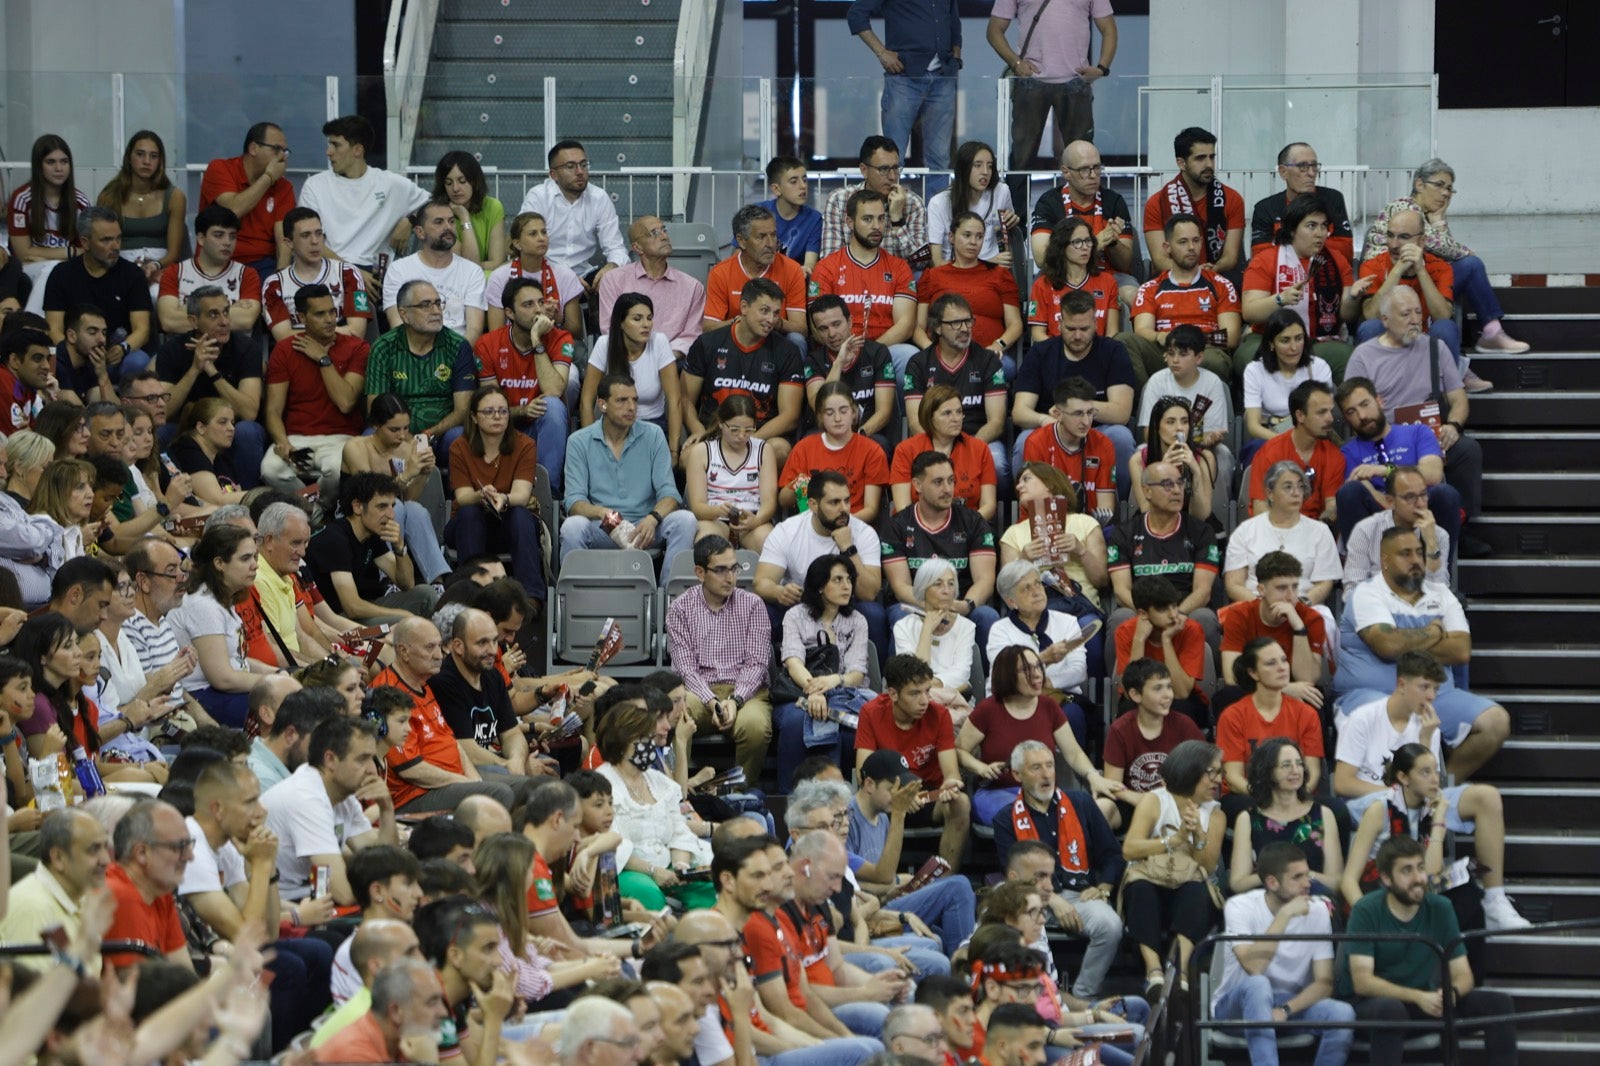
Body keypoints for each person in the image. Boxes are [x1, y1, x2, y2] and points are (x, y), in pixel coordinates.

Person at [1333, 652, 1530, 932]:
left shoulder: (1428, 725)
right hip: (1368, 803)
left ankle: (1495, 899)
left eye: (1436, 689)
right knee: (1406, 802)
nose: (1431, 696)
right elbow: (1343, 783)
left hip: (1416, 798)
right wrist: (1399, 792)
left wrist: (1426, 739)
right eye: (1424, 687)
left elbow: (1429, 782)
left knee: (1486, 797)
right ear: (1402, 684)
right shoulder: (1364, 718)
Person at [1334, 527, 1508, 780]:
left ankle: (1433, 790)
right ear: (1384, 561)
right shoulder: (1367, 594)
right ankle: (1394, 798)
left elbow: (1460, 651)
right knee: (1398, 719)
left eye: (1419, 553)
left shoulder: (1441, 595)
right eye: (1405, 554)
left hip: (1435, 694)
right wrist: (1434, 632)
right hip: (1372, 695)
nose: (1415, 560)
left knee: (1495, 722)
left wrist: (1404, 639)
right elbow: (1387, 645)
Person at [1338, 835, 1520, 1066]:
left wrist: (1450, 994)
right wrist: (1418, 997)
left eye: (1420, 868)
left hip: (1423, 999)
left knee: (1499, 1004)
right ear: (1386, 878)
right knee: (1391, 1010)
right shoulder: (1366, 909)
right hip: (1370, 1005)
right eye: (1407, 871)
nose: (1418, 878)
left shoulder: (1440, 907)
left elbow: (1464, 974)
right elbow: (1363, 982)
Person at [1344, 285, 1487, 554]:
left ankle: (1462, 530)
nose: (1415, 320)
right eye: (1406, 314)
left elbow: (1458, 398)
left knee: (1467, 450)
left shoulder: (1436, 347)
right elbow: (1354, 407)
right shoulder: (1363, 356)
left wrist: (1453, 425)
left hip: (1429, 437)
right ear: (1385, 320)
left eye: (1418, 312)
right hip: (1383, 439)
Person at [988, 741, 1123, 998]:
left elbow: (1112, 854)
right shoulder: (1005, 819)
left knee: (1111, 925)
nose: (1047, 774)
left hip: (1080, 894)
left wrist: (1104, 888)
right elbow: (1014, 875)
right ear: (1017, 775)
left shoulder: (1081, 802)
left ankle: (1082, 997)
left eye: (1050, 766)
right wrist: (1053, 900)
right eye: (1036, 768)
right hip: (1029, 897)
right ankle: (1028, 992)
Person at [1363, 158, 1527, 361]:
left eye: (1450, 189)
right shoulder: (1403, 207)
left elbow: (1441, 248)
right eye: (1439, 185)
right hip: (1390, 280)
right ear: (1419, 185)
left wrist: (1439, 221)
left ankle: (1488, 336)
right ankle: (1489, 334)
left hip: (1419, 279)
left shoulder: (1427, 215)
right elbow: (1443, 247)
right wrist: (1467, 251)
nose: (1446, 193)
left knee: (1458, 274)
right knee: (1471, 264)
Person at [1212, 842, 1355, 1066]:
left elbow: (1325, 983)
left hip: (1288, 1005)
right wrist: (1285, 916)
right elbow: (1255, 967)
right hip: (1236, 1009)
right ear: (1272, 882)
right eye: (1297, 877)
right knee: (1259, 984)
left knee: (1342, 1013)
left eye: (1307, 875)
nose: (1308, 883)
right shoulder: (1239, 907)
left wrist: (1285, 1010)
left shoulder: (1318, 911)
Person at [374, 619, 521, 815]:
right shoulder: (387, 694)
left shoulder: (423, 683)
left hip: (452, 779)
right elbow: (411, 770)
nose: (438, 655)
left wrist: (473, 779)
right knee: (499, 794)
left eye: (439, 646)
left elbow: (451, 741)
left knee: (529, 788)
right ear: (403, 652)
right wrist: (467, 783)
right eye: (429, 647)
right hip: (416, 794)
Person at [562, 374, 697, 572]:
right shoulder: (579, 441)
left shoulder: (654, 434)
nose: (631, 407)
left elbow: (669, 494)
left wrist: (652, 519)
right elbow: (574, 503)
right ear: (602, 405)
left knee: (686, 520)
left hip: (646, 527)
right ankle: (574, 599)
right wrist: (604, 513)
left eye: (635, 400)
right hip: (603, 527)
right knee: (572, 527)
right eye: (622, 400)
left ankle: (672, 599)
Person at [667, 535, 773, 786]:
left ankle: (738, 795)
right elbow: (685, 668)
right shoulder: (680, 608)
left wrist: (735, 701)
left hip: (747, 692)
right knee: (676, 713)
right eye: (721, 570)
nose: (730, 577)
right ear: (700, 572)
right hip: (698, 691)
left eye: (734, 568)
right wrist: (712, 702)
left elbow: (757, 663)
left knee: (756, 727)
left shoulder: (753, 605)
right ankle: (677, 790)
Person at [1120, 739, 1223, 995]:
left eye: (1219, 772)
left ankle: (1180, 968)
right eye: (1212, 773)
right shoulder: (1155, 800)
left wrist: (1199, 834)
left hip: (1187, 883)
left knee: (1198, 892)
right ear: (1190, 771)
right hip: (1150, 879)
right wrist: (1173, 841)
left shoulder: (1216, 813)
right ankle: (1153, 971)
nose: (1218, 780)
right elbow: (1129, 849)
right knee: (1141, 890)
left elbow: (1209, 867)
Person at [854, 654, 971, 870]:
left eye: (927, 690)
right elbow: (865, 773)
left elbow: (951, 773)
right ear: (893, 694)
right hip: (889, 793)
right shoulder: (871, 712)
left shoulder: (940, 714)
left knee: (961, 802)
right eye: (915, 693)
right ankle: (876, 878)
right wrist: (898, 797)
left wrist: (950, 786)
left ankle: (945, 882)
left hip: (928, 795)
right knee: (863, 799)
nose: (925, 700)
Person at [260, 282, 369, 511]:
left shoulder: (357, 348)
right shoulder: (285, 349)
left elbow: (346, 402)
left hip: (341, 439)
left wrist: (323, 359)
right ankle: (313, 513)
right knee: (270, 468)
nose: (330, 319)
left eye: (332, 311)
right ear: (301, 316)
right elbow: (273, 410)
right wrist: (282, 442)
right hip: (298, 439)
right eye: (320, 314)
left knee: (334, 470)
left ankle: (318, 513)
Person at [595, 702, 714, 910]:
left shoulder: (659, 782)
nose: (650, 745)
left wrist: (680, 867)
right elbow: (611, 847)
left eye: (650, 738)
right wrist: (653, 871)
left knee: (712, 887)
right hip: (625, 870)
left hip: (667, 866)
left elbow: (679, 833)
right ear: (621, 743)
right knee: (649, 894)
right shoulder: (603, 784)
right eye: (642, 739)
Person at [754, 469, 886, 653]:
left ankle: (873, 679)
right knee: (762, 612)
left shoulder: (864, 533)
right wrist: (779, 591)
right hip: (799, 606)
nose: (844, 509)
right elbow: (761, 583)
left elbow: (869, 593)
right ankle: (767, 676)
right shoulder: (787, 531)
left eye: (847, 501)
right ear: (813, 505)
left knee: (874, 614)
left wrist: (849, 549)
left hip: (844, 607)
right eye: (834, 502)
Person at [1236, 196, 1366, 381]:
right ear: (1291, 230)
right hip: (1269, 338)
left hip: (1319, 340)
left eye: (1324, 226)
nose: (1320, 233)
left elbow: (1347, 315)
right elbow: (1250, 312)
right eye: (1311, 226)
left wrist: (1353, 297)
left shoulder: (1336, 261)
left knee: (1352, 359)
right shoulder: (1265, 260)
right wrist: (1281, 299)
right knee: (1250, 357)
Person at [164, 524, 281, 727]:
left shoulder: (222, 597)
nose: (255, 565)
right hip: (202, 696)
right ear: (219, 563)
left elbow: (239, 661)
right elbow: (222, 678)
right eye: (245, 559)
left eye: (255, 557)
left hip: (223, 691)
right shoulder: (203, 605)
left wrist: (278, 674)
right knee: (288, 709)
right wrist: (274, 683)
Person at [1011, 293, 1137, 481]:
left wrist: (1072, 411)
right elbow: (1019, 412)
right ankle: (1030, 507)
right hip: (1052, 428)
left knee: (1122, 437)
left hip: (1097, 430)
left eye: (1084, 329)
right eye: (1071, 329)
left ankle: (1117, 508)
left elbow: (1121, 412)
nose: (1078, 336)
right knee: (1024, 441)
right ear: (1060, 323)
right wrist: (1044, 420)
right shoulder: (1041, 352)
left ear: (1096, 323)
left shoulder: (1113, 351)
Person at [883, 452, 999, 654]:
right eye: (938, 482)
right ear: (917, 485)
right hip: (916, 606)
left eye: (951, 481)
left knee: (987, 616)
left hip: (960, 604)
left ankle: (989, 684)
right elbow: (900, 586)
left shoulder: (973, 522)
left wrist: (966, 605)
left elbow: (985, 580)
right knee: (901, 617)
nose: (947, 489)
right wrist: (934, 606)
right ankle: (903, 682)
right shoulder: (897, 525)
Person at [774, 554, 872, 793]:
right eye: (837, 579)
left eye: (849, 579)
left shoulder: (857, 620)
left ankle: (846, 797)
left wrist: (834, 681)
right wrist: (814, 691)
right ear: (819, 586)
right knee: (798, 722)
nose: (846, 585)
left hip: (844, 692)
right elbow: (793, 661)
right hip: (799, 689)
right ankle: (789, 796)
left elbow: (857, 672)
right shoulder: (795, 616)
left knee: (855, 728)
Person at [684, 277, 806, 466]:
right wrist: (698, 429)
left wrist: (748, 439)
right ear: (744, 307)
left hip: (760, 436)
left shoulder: (787, 351)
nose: (771, 320)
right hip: (714, 433)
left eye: (776, 313)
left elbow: (790, 416)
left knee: (780, 449)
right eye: (764, 311)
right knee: (688, 457)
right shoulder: (707, 343)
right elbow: (684, 399)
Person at [1334, 376, 1461, 552]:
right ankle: (1361, 573)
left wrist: (1385, 470)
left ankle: (1438, 573)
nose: (1361, 416)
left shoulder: (1417, 432)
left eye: (1365, 404)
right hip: (1378, 518)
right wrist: (1396, 506)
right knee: (1349, 491)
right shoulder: (1347, 452)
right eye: (1351, 412)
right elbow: (1362, 489)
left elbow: (1432, 474)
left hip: (1422, 508)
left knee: (1446, 493)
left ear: (1379, 401)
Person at [156, 288, 266, 489]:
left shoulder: (247, 348)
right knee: (160, 432)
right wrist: (195, 368)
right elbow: (163, 410)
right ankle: (173, 499)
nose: (224, 321)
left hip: (231, 428)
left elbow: (249, 412)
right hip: (187, 428)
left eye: (226, 312)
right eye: (213, 315)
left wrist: (212, 371)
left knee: (247, 432)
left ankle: (249, 498)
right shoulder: (172, 350)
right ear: (193, 321)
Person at [340, 394, 453, 587]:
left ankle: (437, 582)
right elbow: (371, 496)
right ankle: (388, 578)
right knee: (395, 506)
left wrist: (423, 474)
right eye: (394, 429)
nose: (402, 435)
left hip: (394, 512)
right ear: (376, 426)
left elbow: (410, 497)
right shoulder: (355, 447)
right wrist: (408, 474)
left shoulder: (406, 448)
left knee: (415, 510)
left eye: (406, 428)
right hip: (356, 513)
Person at [447, 385, 546, 603]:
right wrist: (481, 495)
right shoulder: (459, 447)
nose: (497, 417)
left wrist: (503, 498)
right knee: (470, 512)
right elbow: (462, 497)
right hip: (467, 527)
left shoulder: (525, 445)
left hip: (508, 525)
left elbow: (521, 494)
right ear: (474, 416)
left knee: (520, 514)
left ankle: (532, 598)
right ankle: (471, 597)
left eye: (503, 411)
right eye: (489, 412)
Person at [474, 276, 573, 493]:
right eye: (528, 305)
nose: (538, 310)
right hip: (503, 426)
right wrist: (521, 410)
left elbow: (554, 390)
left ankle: (547, 494)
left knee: (553, 407)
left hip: (540, 428)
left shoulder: (560, 337)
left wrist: (537, 340)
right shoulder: (488, 344)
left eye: (540, 302)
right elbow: (488, 407)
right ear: (509, 313)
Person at [987, 0, 1116, 167]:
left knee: (1083, 158)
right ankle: (1016, 194)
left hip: (1076, 81)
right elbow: (994, 29)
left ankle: (1082, 194)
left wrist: (1102, 68)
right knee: (1022, 157)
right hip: (1030, 81)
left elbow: (1109, 29)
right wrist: (1016, 63)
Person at [299, 115, 430, 276]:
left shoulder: (391, 183)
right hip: (329, 269)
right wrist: (353, 273)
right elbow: (308, 242)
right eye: (329, 144)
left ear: (357, 150)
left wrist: (411, 220)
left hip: (376, 272)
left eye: (335, 145)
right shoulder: (314, 186)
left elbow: (437, 203)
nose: (328, 152)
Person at [811, 189, 919, 380]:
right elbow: (817, 323)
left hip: (883, 350)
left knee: (908, 355)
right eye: (868, 219)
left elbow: (905, 325)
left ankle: (901, 412)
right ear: (850, 222)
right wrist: (846, 351)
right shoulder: (826, 268)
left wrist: (869, 352)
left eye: (881, 218)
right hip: (837, 351)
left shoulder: (899, 267)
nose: (877, 226)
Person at [364, 279, 477, 460]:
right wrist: (407, 438)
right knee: (368, 437)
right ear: (404, 314)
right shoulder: (384, 347)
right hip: (395, 431)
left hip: (443, 434)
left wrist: (428, 435)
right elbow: (375, 408)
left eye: (438, 303)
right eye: (425, 305)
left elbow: (463, 410)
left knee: (459, 437)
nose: (436, 311)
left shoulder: (457, 346)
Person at [1121, 213, 1241, 382]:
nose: (1191, 247)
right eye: (1183, 242)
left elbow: (1231, 337)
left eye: (1196, 241)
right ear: (1167, 247)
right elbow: (1142, 330)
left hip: (1204, 353)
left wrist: (1187, 341)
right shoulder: (1151, 288)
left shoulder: (1221, 285)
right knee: (1123, 341)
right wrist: (1160, 337)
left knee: (1215, 361)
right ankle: (1147, 401)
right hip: (1164, 354)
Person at [1354, 206, 1468, 383]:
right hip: (1390, 341)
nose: (1393, 244)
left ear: (1421, 241)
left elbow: (1443, 315)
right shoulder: (1372, 266)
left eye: (1403, 237)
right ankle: (1375, 394)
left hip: (1424, 342)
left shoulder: (1440, 268)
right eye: (1390, 235)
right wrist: (1397, 270)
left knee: (1446, 327)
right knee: (1370, 328)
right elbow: (1370, 315)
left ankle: (1443, 396)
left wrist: (1421, 270)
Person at [905, 293, 1011, 484]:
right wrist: (940, 449)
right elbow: (915, 422)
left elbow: (996, 423)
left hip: (979, 438)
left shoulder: (988, 361)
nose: (964, 329)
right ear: (937, 327)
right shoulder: (918, 364)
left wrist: (967, 450)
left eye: (968, 321)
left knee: (998, 464)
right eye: (955, 323)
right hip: (933, 441)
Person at [306, 472, 440, 622]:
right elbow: (352, 607)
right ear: (357, 507)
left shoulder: (372, 533)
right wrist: (403, 614)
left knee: (425, 594)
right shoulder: (335, 538)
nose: (391, 515)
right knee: (402, 622)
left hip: (355, 610)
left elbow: (407, 584)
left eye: (392, 506)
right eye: (382, 506)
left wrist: (399, 548)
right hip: (333, 619)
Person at [1105, 460, 1220, 636]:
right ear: (1147, 491)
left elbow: (1203, 592)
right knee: (1120, 618)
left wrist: (1176, 615)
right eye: (1167, 485)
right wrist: (1152, 617)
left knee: (1205, 618)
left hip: (1185, 610)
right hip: (1142, 611)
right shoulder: (1124, 533)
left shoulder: (1201, 531)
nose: (1177, 490)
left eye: (1180, 483)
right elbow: (1121, 591)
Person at [432, 608, 548, 778]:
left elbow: (511, 734)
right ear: (458, 646)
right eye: (482, 643)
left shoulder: (493, 675)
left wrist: (517, 762)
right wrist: (508, 767)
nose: (493, 650)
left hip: (493, 759)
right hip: (460, 768)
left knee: (548, 768)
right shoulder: (443, 681)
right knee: (524, 781)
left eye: (494, 641)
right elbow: (466, 749)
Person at [41, 207, 154, 379]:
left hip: (117, 356)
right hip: (77, 353)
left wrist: (123, 348)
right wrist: (74, 352)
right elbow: (54, 328)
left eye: (118, 238)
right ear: (85, 243)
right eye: (106, 240)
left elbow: (142, 330)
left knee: (138, 361)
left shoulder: (133, 274)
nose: (116, 246)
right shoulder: (62, 274)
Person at [1218, 551, 1330, 709]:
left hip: (1295, 689)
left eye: (1295, 587)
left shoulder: (1310, 618)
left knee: (1313, 697)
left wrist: (1298, 627)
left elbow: (1307, 678)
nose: (1291, 596)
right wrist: (1283, 689)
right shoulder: (1239, 615)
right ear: (1261, 590)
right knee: (1229, 695)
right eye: (1282, 588)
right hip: (1258, 689)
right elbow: (1232, 676)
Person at [0, 808, 109, 972]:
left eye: (105, 847)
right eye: (93, 850)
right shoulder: (32, 909)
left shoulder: (83, 898)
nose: (106, 860)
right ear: (58, 858)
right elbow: (35, 994)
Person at [1216, 637, 1325, 801]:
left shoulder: (1306, 713)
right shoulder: (1233, 716)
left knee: (1338, 810)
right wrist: (1271, 800)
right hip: (1249, 796)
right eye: (1271, 663)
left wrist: (1290, 799)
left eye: (1283, 660)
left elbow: (1312, 772)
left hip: (1295, 797)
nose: (1282, 668)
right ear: (1253, 672)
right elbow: (1233, 777)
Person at [915, 217, 1021, 383]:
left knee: (1005, 367)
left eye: (979, 237)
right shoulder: (933, 275)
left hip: (987, 353)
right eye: (967, 235)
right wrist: (930, 350)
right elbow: (918, 326)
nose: (973, 242)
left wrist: (998, 344)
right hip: (942, 352)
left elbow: (1015, 324)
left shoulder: (1000, 275)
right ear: (951, 237)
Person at [516, 139, 630, 289]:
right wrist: (565, 278)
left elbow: (616, 247)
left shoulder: (599, 197)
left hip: (584, 274)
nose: (580, 172)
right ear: (553, 174)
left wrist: (613, 265)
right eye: (571, 166)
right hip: (543, 272)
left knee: (616, 281)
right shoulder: (539, 196)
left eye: (583, 165)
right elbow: (525, 245)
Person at [1102, 660, 1205, 825]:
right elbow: (1112, 784)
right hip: (1135, 803)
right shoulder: (1120, 729)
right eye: (1158, 688)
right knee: (1102, 807)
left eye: (1169, 686)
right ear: (1135, 694)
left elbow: (1204, 775)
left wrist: (1171, 802)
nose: (1168, 695)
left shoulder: (1184, 725)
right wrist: (1149, 802)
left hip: (1177, 804)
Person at [581, 291, 682, 451]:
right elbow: (586, 401)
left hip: (653, 425)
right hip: (613, 425)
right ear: (620, 323)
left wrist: (674, 451)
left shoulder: (659, 342)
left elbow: (675, 400)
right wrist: (589, 447)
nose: (646, 324)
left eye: (649, 318)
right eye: (637, 319)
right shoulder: (604, 344)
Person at [102, 797, 195, 968]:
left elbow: (185, 976)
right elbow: (138, 991)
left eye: (189, 845)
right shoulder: (118, 897)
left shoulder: (159, 892)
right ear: (142, 853)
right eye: (180, 846)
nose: (190, 856)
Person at [986, 561, 1096, 705]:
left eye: (1038, 583)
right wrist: (1042, 658)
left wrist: (1048, 683)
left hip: (1060, 696)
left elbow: (1079, 671)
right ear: (1011, 601)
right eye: (1026, 588)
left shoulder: (1067, 622)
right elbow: (1004, 673)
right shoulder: (1000, 629)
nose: (1037, 592)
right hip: (1014, 699)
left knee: (1072, 715)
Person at [382, 200, 488, 345]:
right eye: (439, 222)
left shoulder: (472, 271)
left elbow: (474, 330)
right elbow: (397, 324)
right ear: (420, 232)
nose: (448, 227)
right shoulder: (398, 270)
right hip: (413, 355)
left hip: (458, 352)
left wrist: (455, 357)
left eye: (451, 221)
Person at [598, 214, 706, 356]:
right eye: (654, 233)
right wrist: (639, 358)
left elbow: (691, 336)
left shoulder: (692, 287)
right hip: (625, 359)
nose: (664, 237)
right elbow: (610, 329)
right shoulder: (613, 280)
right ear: (638, 248)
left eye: (664, 230)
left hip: (672, 362)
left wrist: (662, 358)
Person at [781, 383, 888, 525]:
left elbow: (871, 509)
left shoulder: (872, 451)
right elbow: (783, 501)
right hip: (812, 528)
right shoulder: (804, 448)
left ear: (854, 412)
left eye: (843, 411)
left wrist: (835, 523)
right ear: (820, 416)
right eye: (829, 413)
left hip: (854, 525)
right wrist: (798, 484)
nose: (837, 418)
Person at [1027, 140, 1134, 281]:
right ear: (1066, 172)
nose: (1093, 175)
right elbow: (1042, 259)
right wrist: (1096, 243)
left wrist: (1113, 242)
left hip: (1107, 276)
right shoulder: (1049, 203)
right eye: (1084, 169)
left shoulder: (1114, 201)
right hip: (1063, 276)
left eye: (1097, 167)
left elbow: (1125, 264)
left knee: (1132, 294)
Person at [682, 394, 780, 549]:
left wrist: (756, 520)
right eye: (734, 429)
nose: (741, 436)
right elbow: (698, 507)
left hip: (753, 518)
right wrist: (717, 510)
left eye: (748, 430)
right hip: (715, 519)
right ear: (721, 423)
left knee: (769, 542)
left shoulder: (764, 450)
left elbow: (769, 502)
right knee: (707, 542)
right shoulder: (702, 452)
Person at [262, 207, 373, 340]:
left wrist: (307, 335)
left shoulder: (348, 273)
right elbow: (283, 338)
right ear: (289, 243)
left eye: (319, 233)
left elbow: (356, 333)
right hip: (298, 357)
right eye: (305, 235)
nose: (315, 241)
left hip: (343, 354)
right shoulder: (274, 285)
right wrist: (335, 332)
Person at [1142, 127, 1244, 274]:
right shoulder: (1157, 203)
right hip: (1172, 284)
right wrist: (1194, 272)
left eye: (1212, 157)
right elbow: (1160, 261)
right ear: (1181, 163)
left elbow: (1231, 257)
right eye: (1200, 158)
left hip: (1217, 279)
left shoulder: (1232, 199)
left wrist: (1212, 269)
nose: (1209, 164)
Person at [1240, 309, 1334, 466]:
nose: (1294, 347)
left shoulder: (1318, 367)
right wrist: (1287, 444)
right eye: (1285, 340)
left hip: (1311, 436)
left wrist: (1299, 444)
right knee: (1256, 450)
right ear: (1271, 343)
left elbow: (1325, 417)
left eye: (1298, 338)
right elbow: (1253, 426)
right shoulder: (1255, 370)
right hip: (1271, 436)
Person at [803, 296, 897, 453]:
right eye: (823, 328)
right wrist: (839, 362)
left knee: (881, 446)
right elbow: (819, 405)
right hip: (826, 434)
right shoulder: (814, 360)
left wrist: (855, 437)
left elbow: (884, 412)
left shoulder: (877, 353)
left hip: (866, 433)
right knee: (809, 444)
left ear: (850, 321)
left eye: (836, 324)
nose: (831, 334)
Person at [1342, 467, 1453, 599]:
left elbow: (1440, 590)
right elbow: (1352, 588)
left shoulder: (1439, 535)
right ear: (1390, 501)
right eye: (1410, 497)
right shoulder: (1365, 530)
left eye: (1423, 494)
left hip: (1421, 611)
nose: (1420, 503)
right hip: (1376, 609)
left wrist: (1431, 544)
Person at [891, 384, 998, 521]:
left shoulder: (979, 449)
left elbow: (988, 505)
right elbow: (903, 507)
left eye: (959, 412)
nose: (956, 418)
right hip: (918, 529)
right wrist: (931, 528)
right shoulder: (905, 450)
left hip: (967, 529)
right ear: (930, 417)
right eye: (947, 413)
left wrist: (967, 527)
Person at [314, 956, 449, 1064]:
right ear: (396, 1012)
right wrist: (427, 1063)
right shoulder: (356, 1054)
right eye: (432, 1003)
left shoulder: (403, 1039)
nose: (444, 1012)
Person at [199, 122, 295, 274]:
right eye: (276, 149)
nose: (282, 156)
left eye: (285, 151)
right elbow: (232, 210)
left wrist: (281, 278)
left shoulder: (284, 187)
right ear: (253, 148)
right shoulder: (220, 168)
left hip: (263, 264)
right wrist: (269, 177)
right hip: (219, 261)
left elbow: (283, 240)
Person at [703, 206, 808, 341]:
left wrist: (774, 321)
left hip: (776, 341)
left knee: (796, 339)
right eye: (761, 237)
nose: (771, 244)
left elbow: (801, 328)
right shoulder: (721, 273)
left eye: (773, 235)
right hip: (736, 340)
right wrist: (745, 322)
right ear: (741, 240)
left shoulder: (792, 269)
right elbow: (709, 328)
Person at [154, 204, 262, 334]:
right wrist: (230, 310)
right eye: (219, 235)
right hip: (187, 351)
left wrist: (188, 310)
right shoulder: (174, 272)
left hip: (233, 352)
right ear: (201, 239)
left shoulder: (247, 274)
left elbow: (246, 320)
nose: (228, 242)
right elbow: (169, 322)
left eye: (232, 236)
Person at [892, 557, 977, 718]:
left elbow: (961, 674)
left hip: (955, 701)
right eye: (938, 584)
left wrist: (925, 689)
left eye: (951, 584)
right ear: (923, 589)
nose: (946, 590)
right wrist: (927, 630)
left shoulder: (965, 627)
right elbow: (913, 674)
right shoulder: (903, 627)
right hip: (915, 704)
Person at [97, 130, 185, 284]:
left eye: (154, 156)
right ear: (129, 158)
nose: (146, 161)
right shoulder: (109, 197)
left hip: (161, 267)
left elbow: (175, 253)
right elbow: (101, 245)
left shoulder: (175, 197)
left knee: (160, 296)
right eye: (140, 154)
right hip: (119, 266)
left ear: (160, 161)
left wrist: (155, 266)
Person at [1249, 142, 1355, 264]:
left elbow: (1345, 251)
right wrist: (1313, 244)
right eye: (1302, 166)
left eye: (1314, 166)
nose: (1311, 173)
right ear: (1283, 172)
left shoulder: (1332, 199)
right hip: (1282, 278)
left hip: (1323, 273)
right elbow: (1260, 257)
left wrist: (1288, 245)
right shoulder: (1265, 208)